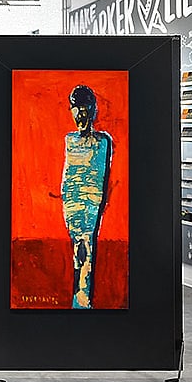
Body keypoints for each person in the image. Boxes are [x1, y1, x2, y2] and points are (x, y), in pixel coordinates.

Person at [60, 84, 113, 309]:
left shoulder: (103, 142)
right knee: (78, 250)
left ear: (92, 110)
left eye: (84, 110)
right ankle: (80, 298)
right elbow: (68, 175)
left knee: (85, 248)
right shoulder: (69, 140)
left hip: (90, 204)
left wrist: (94, 204)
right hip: (71, 205)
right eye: (76, 110)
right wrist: (67, 199)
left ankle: (82, 300)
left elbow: (102, 178)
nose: (80, 116)